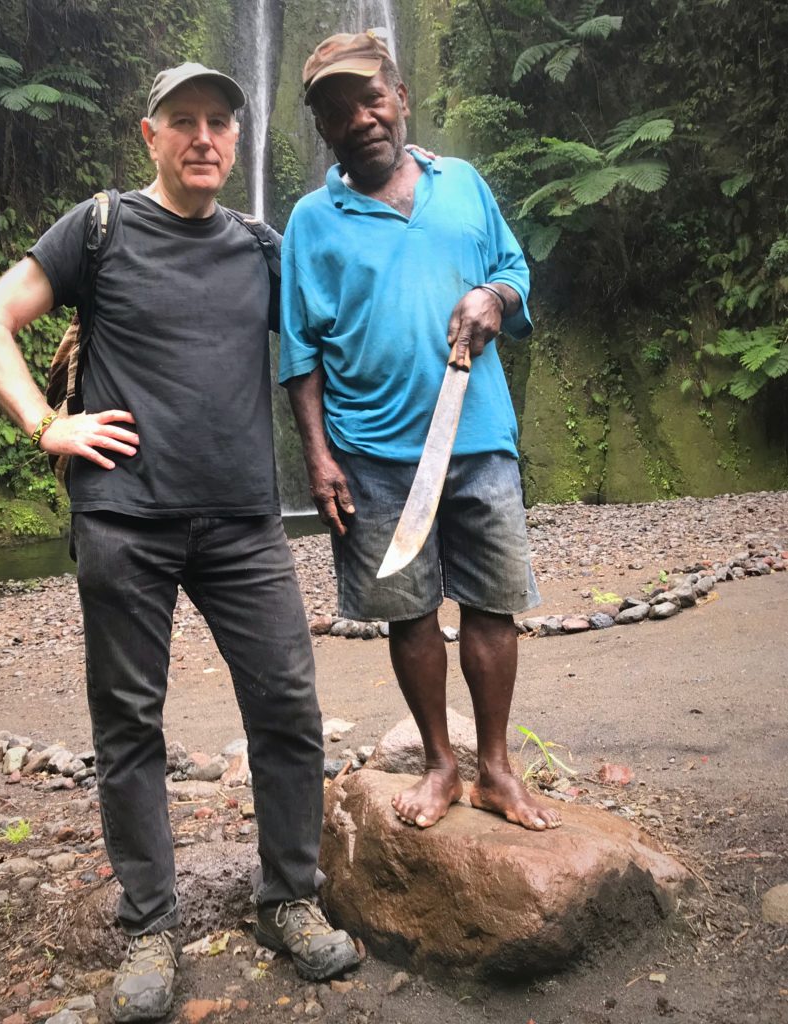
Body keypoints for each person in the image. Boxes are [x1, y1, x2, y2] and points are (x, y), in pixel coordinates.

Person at [0, 62, 358, 1023]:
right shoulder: (98, 227)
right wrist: (45, 426)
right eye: (184, 121)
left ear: (237, 138)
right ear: (150, 134)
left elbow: (328, 337)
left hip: (242, 523)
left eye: (220, 121)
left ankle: (288, 900)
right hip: (122, 518)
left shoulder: (261, 247)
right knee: (128, 725)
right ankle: (148, 924)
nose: (204, 138)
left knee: (289, 706)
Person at [280, 32, 562, 837]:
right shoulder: (309, 220)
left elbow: (513, 267)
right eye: (338, 111)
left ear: (400, 98)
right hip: (369, 452)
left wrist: (496, 302)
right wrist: (317, 456)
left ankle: (496, 767)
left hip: (478, 440)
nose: (360, 118)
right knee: (406, 613)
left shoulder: (464, 184)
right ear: (324, 129)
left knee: (492, 605)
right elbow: (298, 349)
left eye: (371, 99)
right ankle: (441, 761)